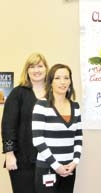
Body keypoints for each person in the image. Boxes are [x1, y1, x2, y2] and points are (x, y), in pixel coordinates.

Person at [1, 53, 49, 193]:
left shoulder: (53, 94)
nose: (36, 70)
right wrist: (9, 155)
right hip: (22, 160)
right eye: (32, 67)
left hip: (48, 160)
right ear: (27, 70)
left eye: (40, 66)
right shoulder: (18, 93)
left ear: (46, 68)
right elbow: (8, 125)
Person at [32, 63, 82, 193]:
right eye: (58, 78)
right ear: (51, 82)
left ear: (70, 81)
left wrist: (75, 162)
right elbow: (38, 140)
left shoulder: (75, 106)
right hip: (47, 168)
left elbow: (78, 137)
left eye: (66, 78)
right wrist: (56, 166)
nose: (62, 82)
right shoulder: (41, 105)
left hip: (69, 169)